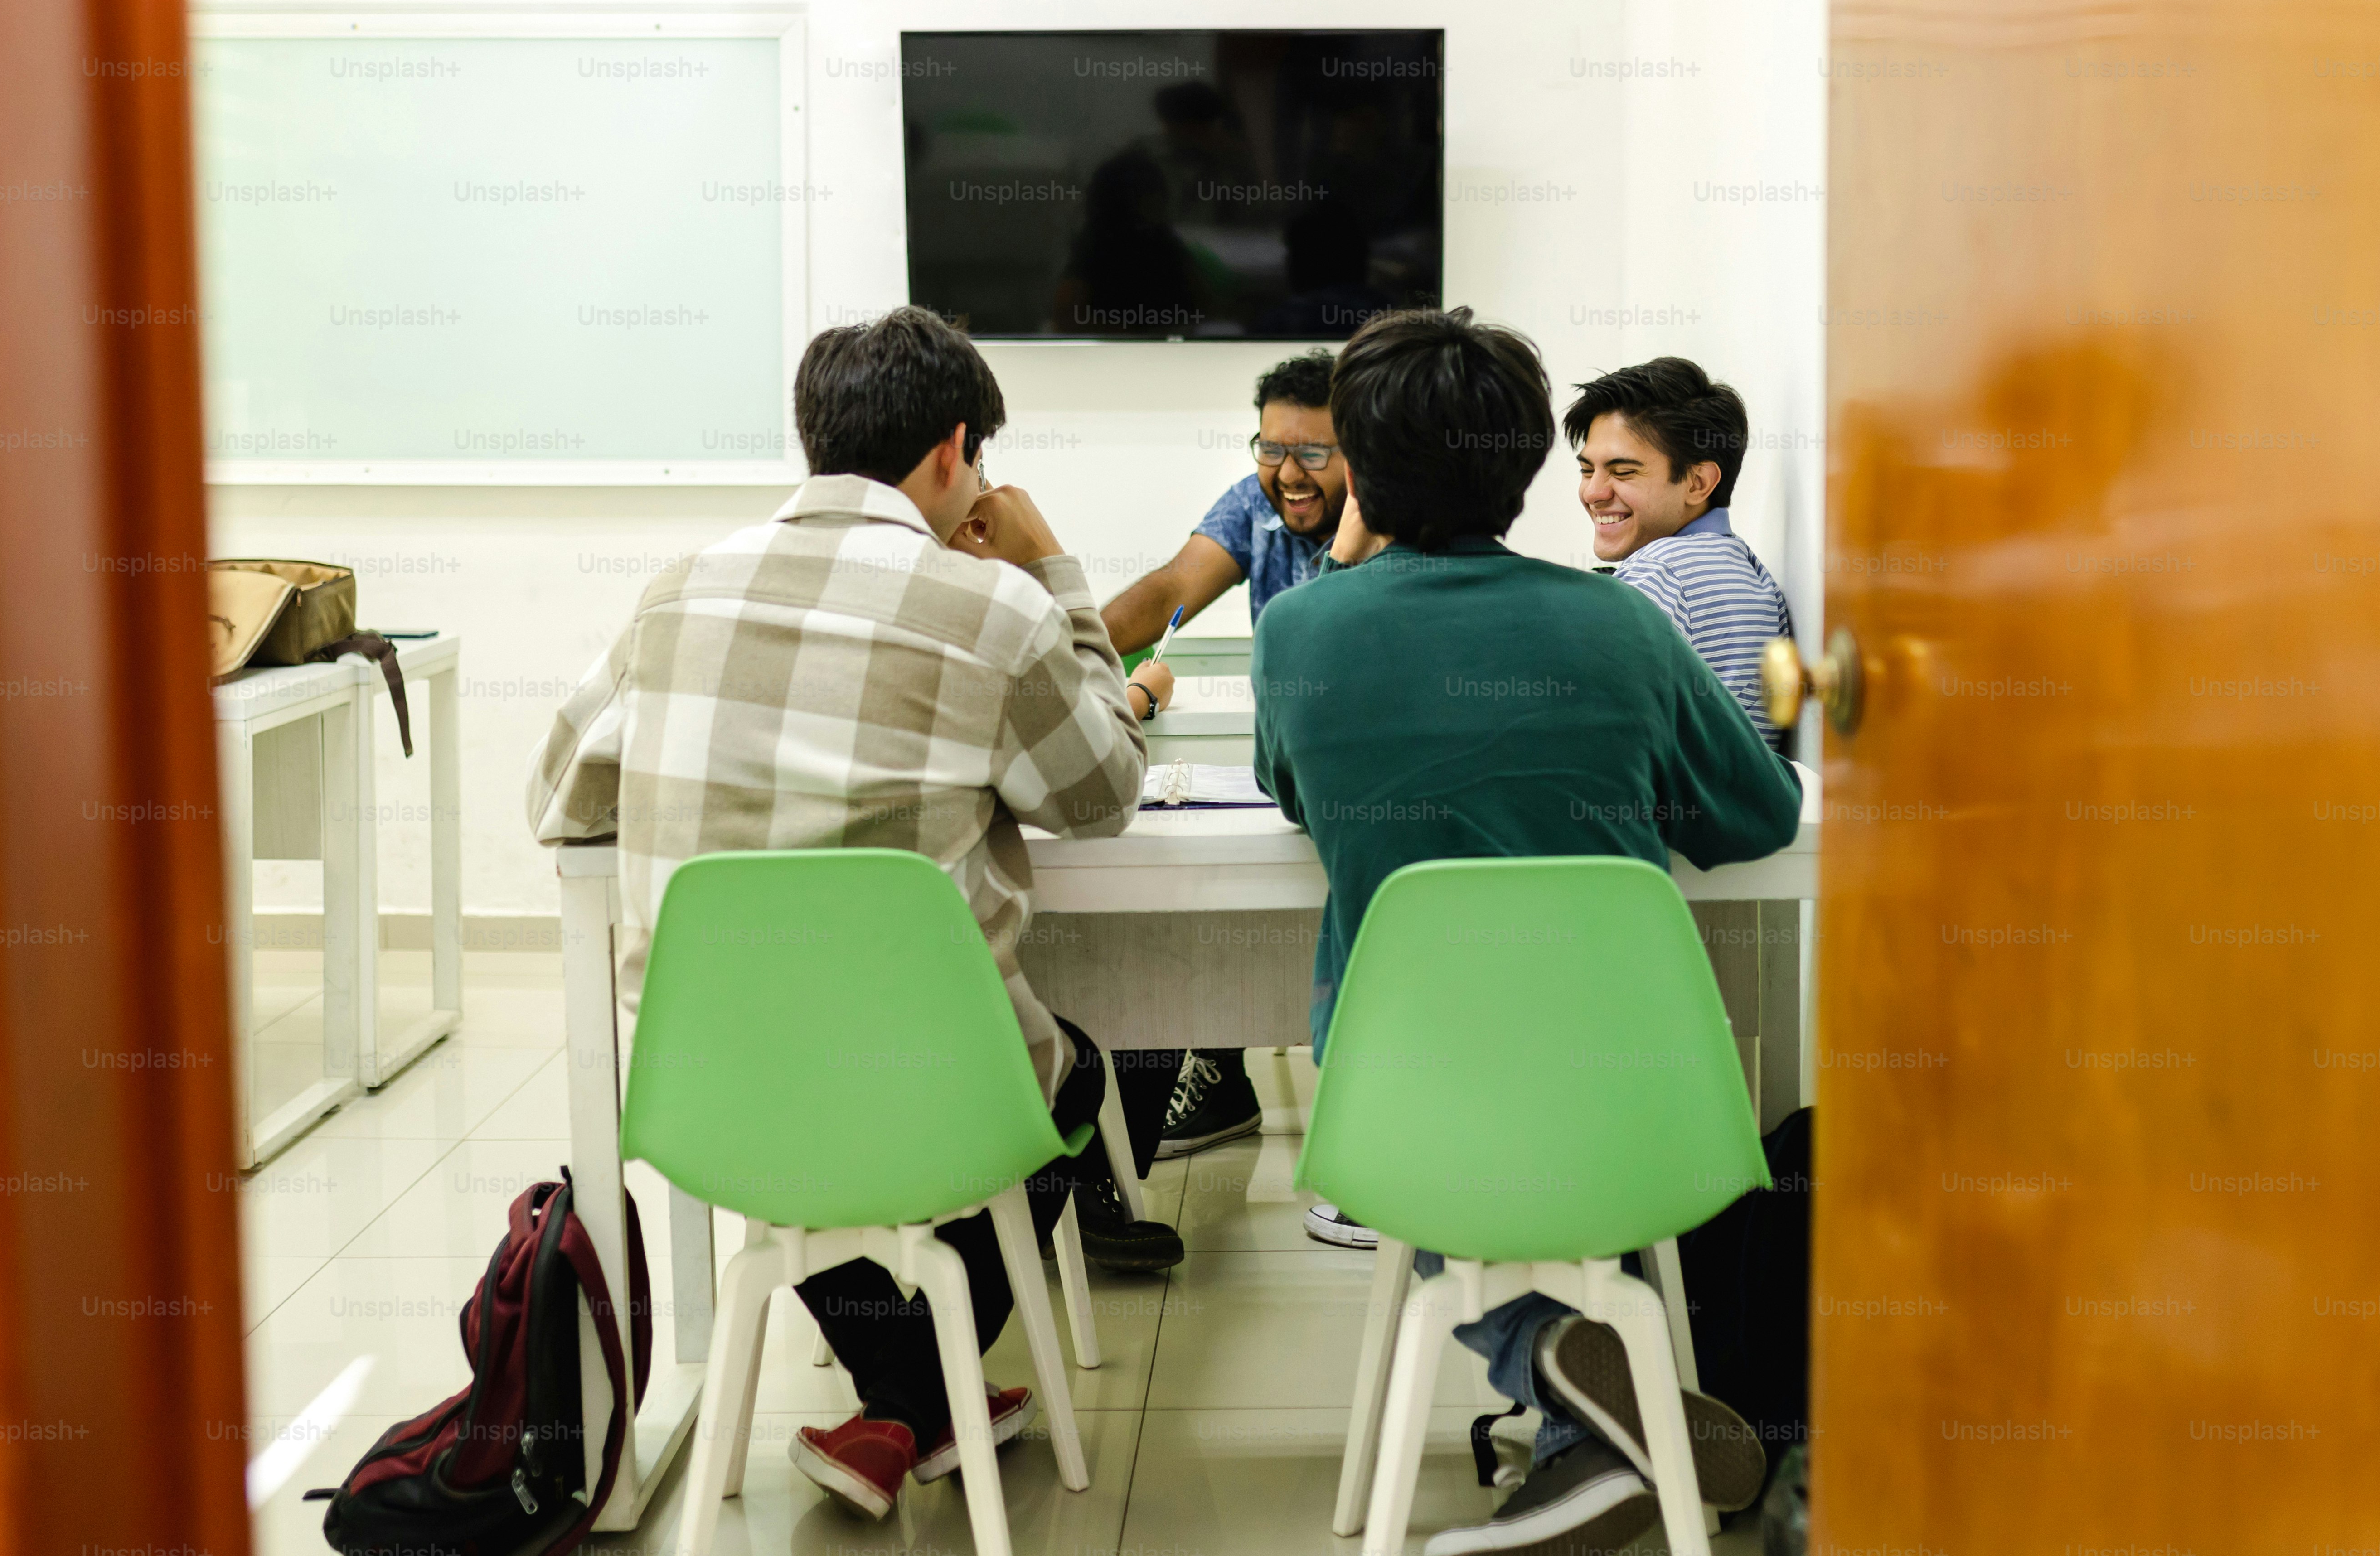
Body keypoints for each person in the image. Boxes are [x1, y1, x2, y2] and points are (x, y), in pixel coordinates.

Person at [524, 306, 1182, 1522]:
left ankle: (900, 1408)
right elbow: (1100, 795)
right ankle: (922, 1397)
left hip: (707, 1091)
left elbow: (557, 798)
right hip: (927, 1086)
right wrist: (1051, 567)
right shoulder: (996, 610)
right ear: (953, 452)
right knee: (1066, 1079)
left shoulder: (676, 593)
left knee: (805, 1151)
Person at [1252, 308, 1801, 1554]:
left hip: (1403, 1107)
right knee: (1550, 1130)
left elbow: (1293, 793)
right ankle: (1599, 1421)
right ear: (1524, 469)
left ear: (1363, 475)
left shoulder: (1299, 631)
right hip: (1636, 1099)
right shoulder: (1622, 626)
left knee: (1447, 1150)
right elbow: (1760, 815)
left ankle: (1559, 1369)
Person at [1100, 349, 1348, 1179]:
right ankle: (1216, 1064)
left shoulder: (1392, 516)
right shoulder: (1256, 503)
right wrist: (1064, 649)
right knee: (1181, 880)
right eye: (1271, 448)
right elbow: (1174, 583)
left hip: (1365, 782)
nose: (1288, 472)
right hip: (1281, 772)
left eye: (1313, 451)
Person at [1568, 356, 1794, 746]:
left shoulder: (1659, 574)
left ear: (1697, 483)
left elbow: (1593, 742)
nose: (1593, 493)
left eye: (1623, 472)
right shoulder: (1749, 573)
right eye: (1588, 471)